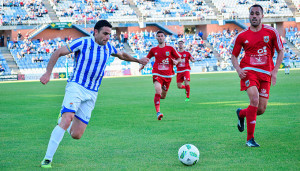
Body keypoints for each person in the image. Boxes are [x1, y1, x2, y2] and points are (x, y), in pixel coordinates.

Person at [39, 20, 149, 168]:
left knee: (76, 135)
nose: (107, 37)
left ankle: (63, 118)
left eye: (109, 34)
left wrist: (138, 60)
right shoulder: (83, 42)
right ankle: (47, 159)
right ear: (95, 32)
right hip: (76, 86)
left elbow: (122, 54)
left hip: (92, 92)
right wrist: (48, 73)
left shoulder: (108, 47)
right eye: (105, 33)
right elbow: (58, 52)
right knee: (67, 118)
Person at [230, 4, 284, 147]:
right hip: (249, 72)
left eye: (257, 13)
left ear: (262, 16)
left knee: (260, 109)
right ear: (249, 16)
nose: (254, 16)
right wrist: (238, 70)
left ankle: (241, 113)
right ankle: (250, 139)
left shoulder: (271, 32)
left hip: (265, 73)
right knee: (254, 99)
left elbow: (281, 51)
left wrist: (275, 71)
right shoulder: (242, 35)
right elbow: (233, 56)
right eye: (252, 13)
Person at [139, 31, 181, 120]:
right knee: (158, 91)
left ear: (164, 37)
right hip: (157, 73)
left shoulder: (170, 48)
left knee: (163, 96)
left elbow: (179, 58)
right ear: (156, 38)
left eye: (162, 36)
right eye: (159, 36)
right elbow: (147, 59)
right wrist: (142, 66)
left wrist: (176, 62)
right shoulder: (153, 50)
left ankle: (157, 99)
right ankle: (158, 112)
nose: (160, 37)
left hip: (168, 75)